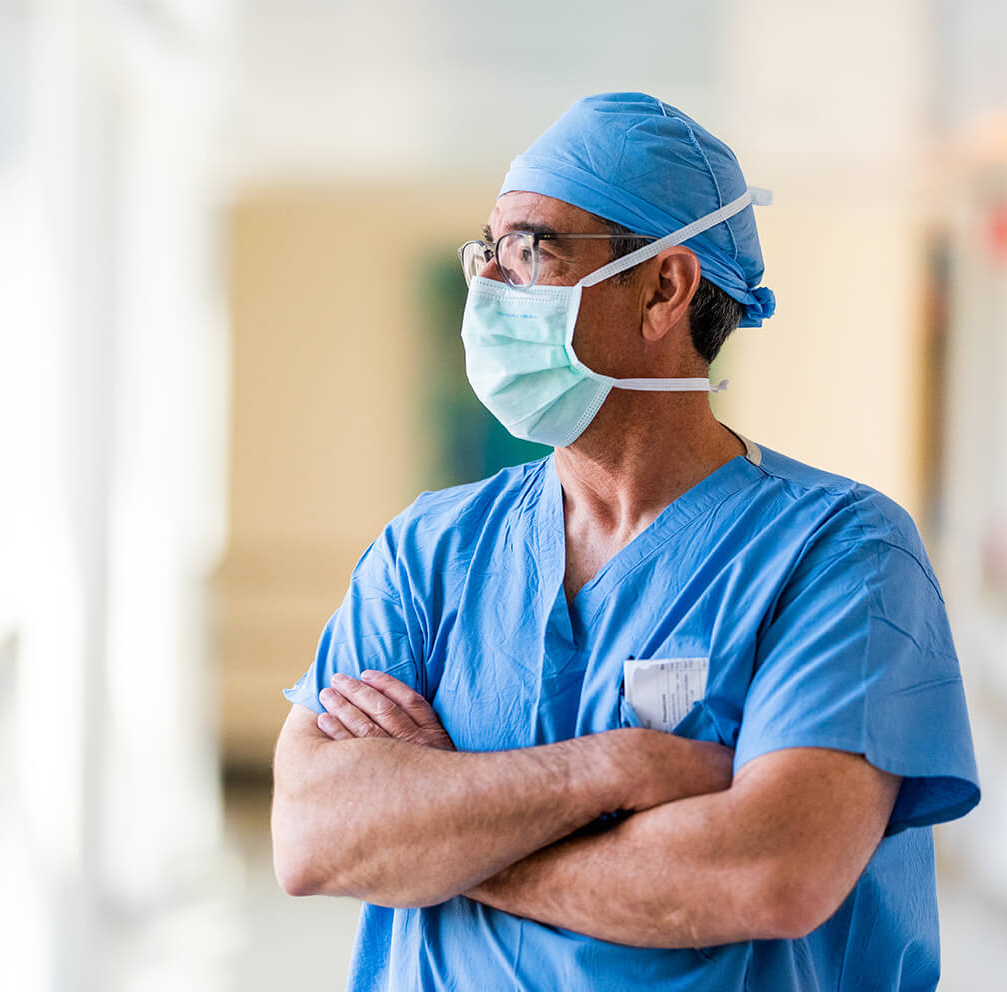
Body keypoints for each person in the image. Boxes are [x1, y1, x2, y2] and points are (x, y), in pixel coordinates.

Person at [269, 92, 980, 991]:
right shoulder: (430, 553)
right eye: (486, 251)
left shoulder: (841, 555)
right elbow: (310, 836)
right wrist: (617, 769)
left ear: (662, 289)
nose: (490, 286)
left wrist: (439, 837)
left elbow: (768, 871)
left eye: (532, 249)